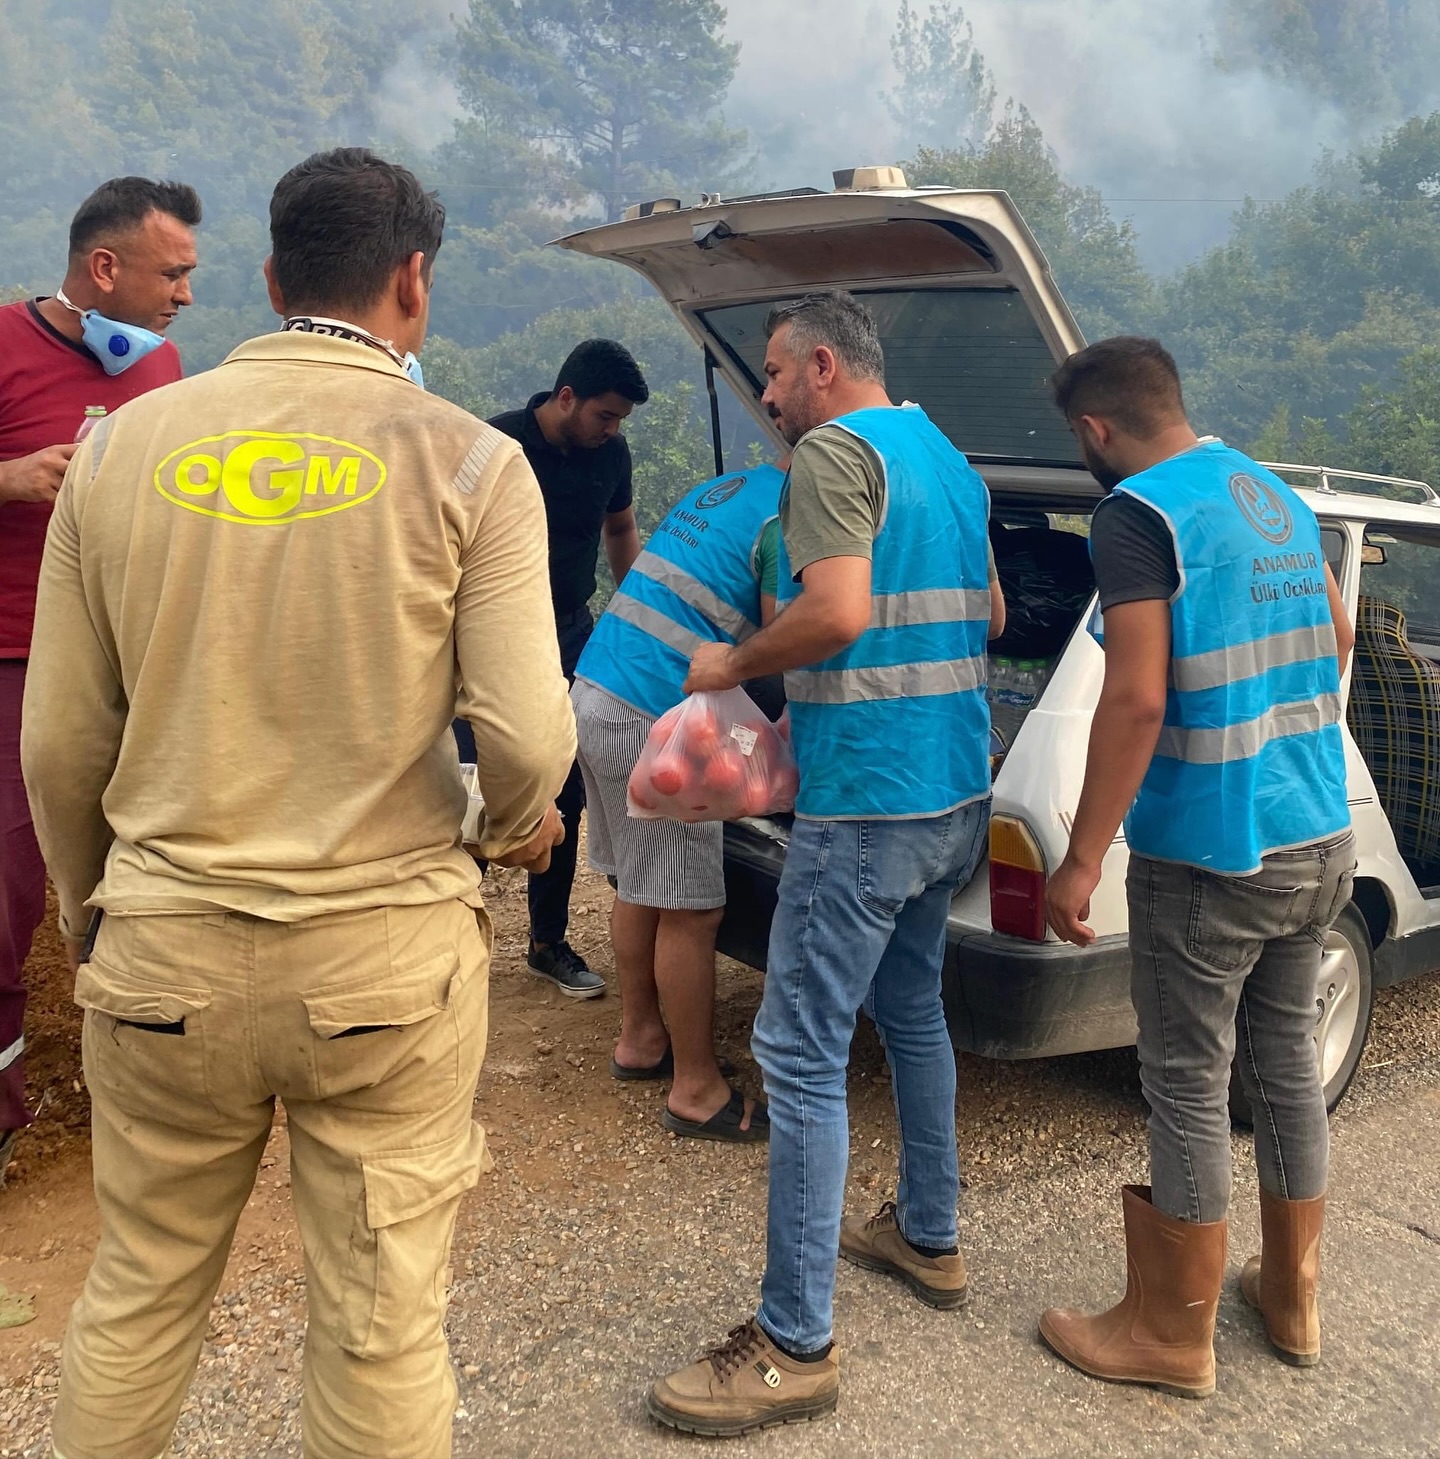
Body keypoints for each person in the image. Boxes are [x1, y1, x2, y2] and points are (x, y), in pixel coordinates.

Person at [22, 147, 573, 1459]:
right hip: (380, 966)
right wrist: (510, 831)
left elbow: (60, 743)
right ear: (414, 280)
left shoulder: (117, 449)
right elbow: (525, 732)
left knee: (138, 1294)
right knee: (380, 1328)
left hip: (161, 953)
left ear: (272, 280)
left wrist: (98, 909)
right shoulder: (472, 461)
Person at [648, 290, 1002, 1436]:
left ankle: (792, 1345)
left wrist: (730, 664)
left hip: (868, 802)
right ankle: (929, 1234)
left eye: (772, 371)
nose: (764, 393)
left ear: (823, 367)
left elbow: (839, 613)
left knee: (799, 1054)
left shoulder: (835, 455)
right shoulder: (947, 460)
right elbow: (993, 612)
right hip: (954, 790)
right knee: (913, 1010)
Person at [1039, 337, 1356, 1397]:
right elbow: (1338, 633)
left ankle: (1171, 1335)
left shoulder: (1138, 515)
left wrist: (1081, 858)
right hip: (1317, 833)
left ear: (1095, 429)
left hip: (1210, 853)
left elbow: (1135, 699)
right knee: (1284, 1067)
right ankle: (1293, 1299)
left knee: (1186, 1082)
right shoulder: (1273, 496)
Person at [0, 175, 200, 1183]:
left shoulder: (162, 367)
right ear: (105, 266)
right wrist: (6, 479)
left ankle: (142, 1076)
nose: (185, 297)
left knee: (149, 866)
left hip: (134, 656)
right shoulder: (1, 343)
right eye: (173, 274)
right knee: (9, 887)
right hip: (15, 655)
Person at [571, 461, 786, 1142]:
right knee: (692, 911)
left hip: (597, 689)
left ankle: (641, 1038)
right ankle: (696, 1088)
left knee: (638, 885)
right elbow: (786, 639)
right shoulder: (791, 517)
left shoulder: (729, 489)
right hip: (659, 723)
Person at [456, 340, 649, 999]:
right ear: (566, 397)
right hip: (487, 636)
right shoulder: (494, 445)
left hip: (568, 631)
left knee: (563, 786)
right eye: (604, 415)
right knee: (472, 785)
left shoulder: (611, 455)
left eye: (620, 419)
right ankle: (450, 939)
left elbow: (620, 530)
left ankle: (547, 942)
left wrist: (635, 614)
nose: (612, 429)